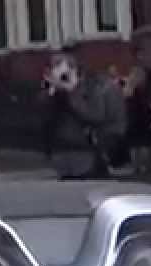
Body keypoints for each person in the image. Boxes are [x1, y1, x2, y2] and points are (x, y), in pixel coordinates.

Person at [40, 50, 109, 180]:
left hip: (83, 152)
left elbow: (95, 116)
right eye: (56, 67)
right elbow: (43, 119)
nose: (63, 74)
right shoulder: (51, 92)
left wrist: (72, 92)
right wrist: (52, 90)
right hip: (60, 153)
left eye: (68, 68)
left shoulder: (89, 90)